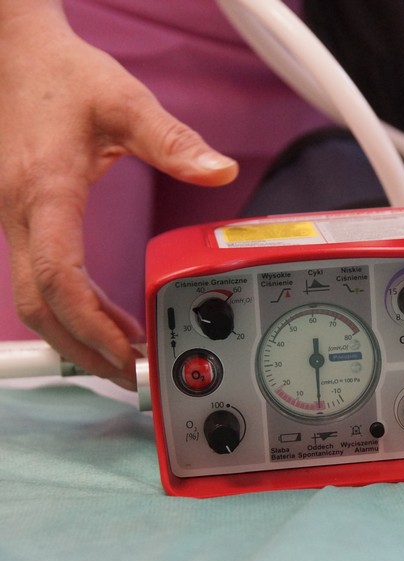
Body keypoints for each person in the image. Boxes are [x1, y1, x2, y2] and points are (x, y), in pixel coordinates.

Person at [0, 0, 326, 389]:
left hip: (297, 61)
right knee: (58, 369)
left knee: (250, 379)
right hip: (69, 42)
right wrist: (19, 34)